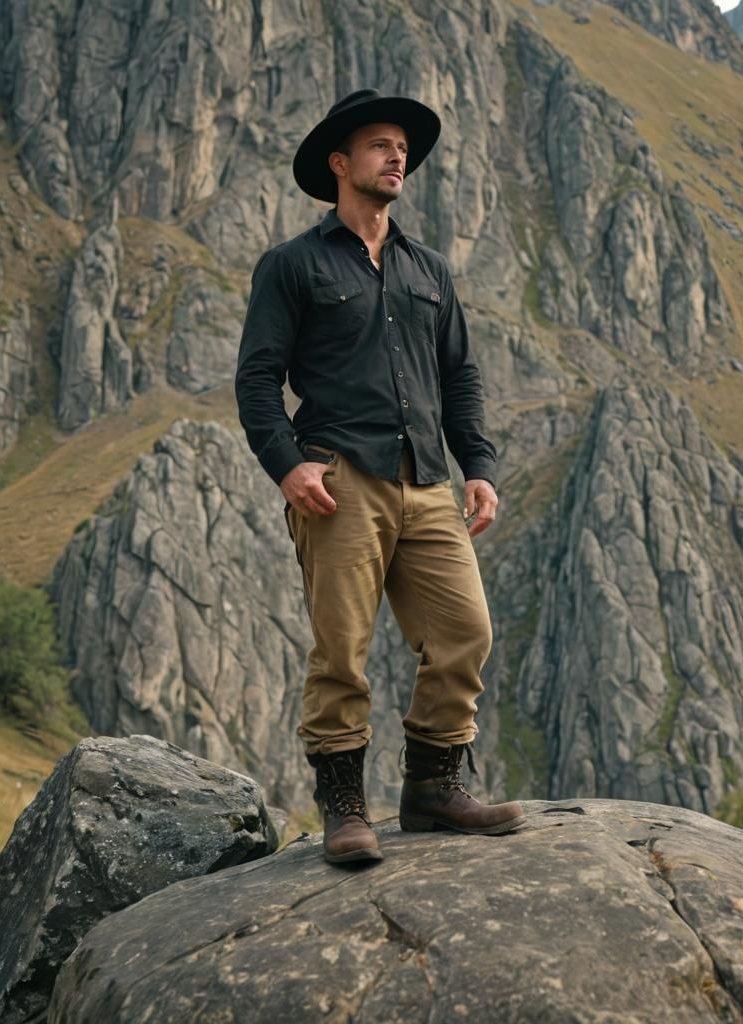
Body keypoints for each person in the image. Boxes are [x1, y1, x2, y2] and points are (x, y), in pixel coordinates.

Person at [235, 88, 525, 864]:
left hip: (428, 481)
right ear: (340, 163)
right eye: (379, 146)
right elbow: (258, 380)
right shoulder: (292, 266)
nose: (398, 157)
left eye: (403, 147)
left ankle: (431, 789)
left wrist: (480, 468)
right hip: (339, 478)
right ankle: (344, 809)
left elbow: (460, 377)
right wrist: (286, 464)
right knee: (342, 650)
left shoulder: (428, 270)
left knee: (466, 631)